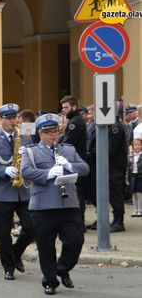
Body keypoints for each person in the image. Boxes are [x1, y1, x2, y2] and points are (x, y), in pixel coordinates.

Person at [21, 113, 89, 295]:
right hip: (43, 206)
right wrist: (48, 174)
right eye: (49, 132)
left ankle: (63, 268)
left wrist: (69, 165)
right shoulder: (31, 151)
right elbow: (26, 171)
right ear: (40, 133)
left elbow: (85, 168)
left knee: (76, 240)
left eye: (56, 132)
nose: (53, 136)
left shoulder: (68, 149)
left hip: (69, 204)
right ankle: (50, 281)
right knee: (46, 246)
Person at [0, 103, 33, 280]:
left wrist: (30, 154)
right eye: (8, 118)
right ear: (1, 119)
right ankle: (8, 267)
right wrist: (3, 171)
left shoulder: (24, 137)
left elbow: (34, 161)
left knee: (32, 227)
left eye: (14, 117)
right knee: (3, 232)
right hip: (3, 192)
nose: (12, 121)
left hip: (23, 191)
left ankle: (16, 253)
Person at [59, 95, 87, 223]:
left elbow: (68, 142)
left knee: (77, 191)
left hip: (74, 161)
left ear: (74, 107)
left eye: (66, 107)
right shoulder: (74, 120)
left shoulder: (75, 122)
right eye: (62, 107)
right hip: (75, 160)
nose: (63, 110)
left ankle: (79, 220)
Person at [127, 138, 142, 217]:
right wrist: (127, 179)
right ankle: (135, 210)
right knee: (133, 194)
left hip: (140, 176)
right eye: (135, 145)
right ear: (132, 146)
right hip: (133, 176)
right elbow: (127, 168)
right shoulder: (131, 156)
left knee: (139, 193)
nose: (137, 147)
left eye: (139, 145)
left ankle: (140, 210)